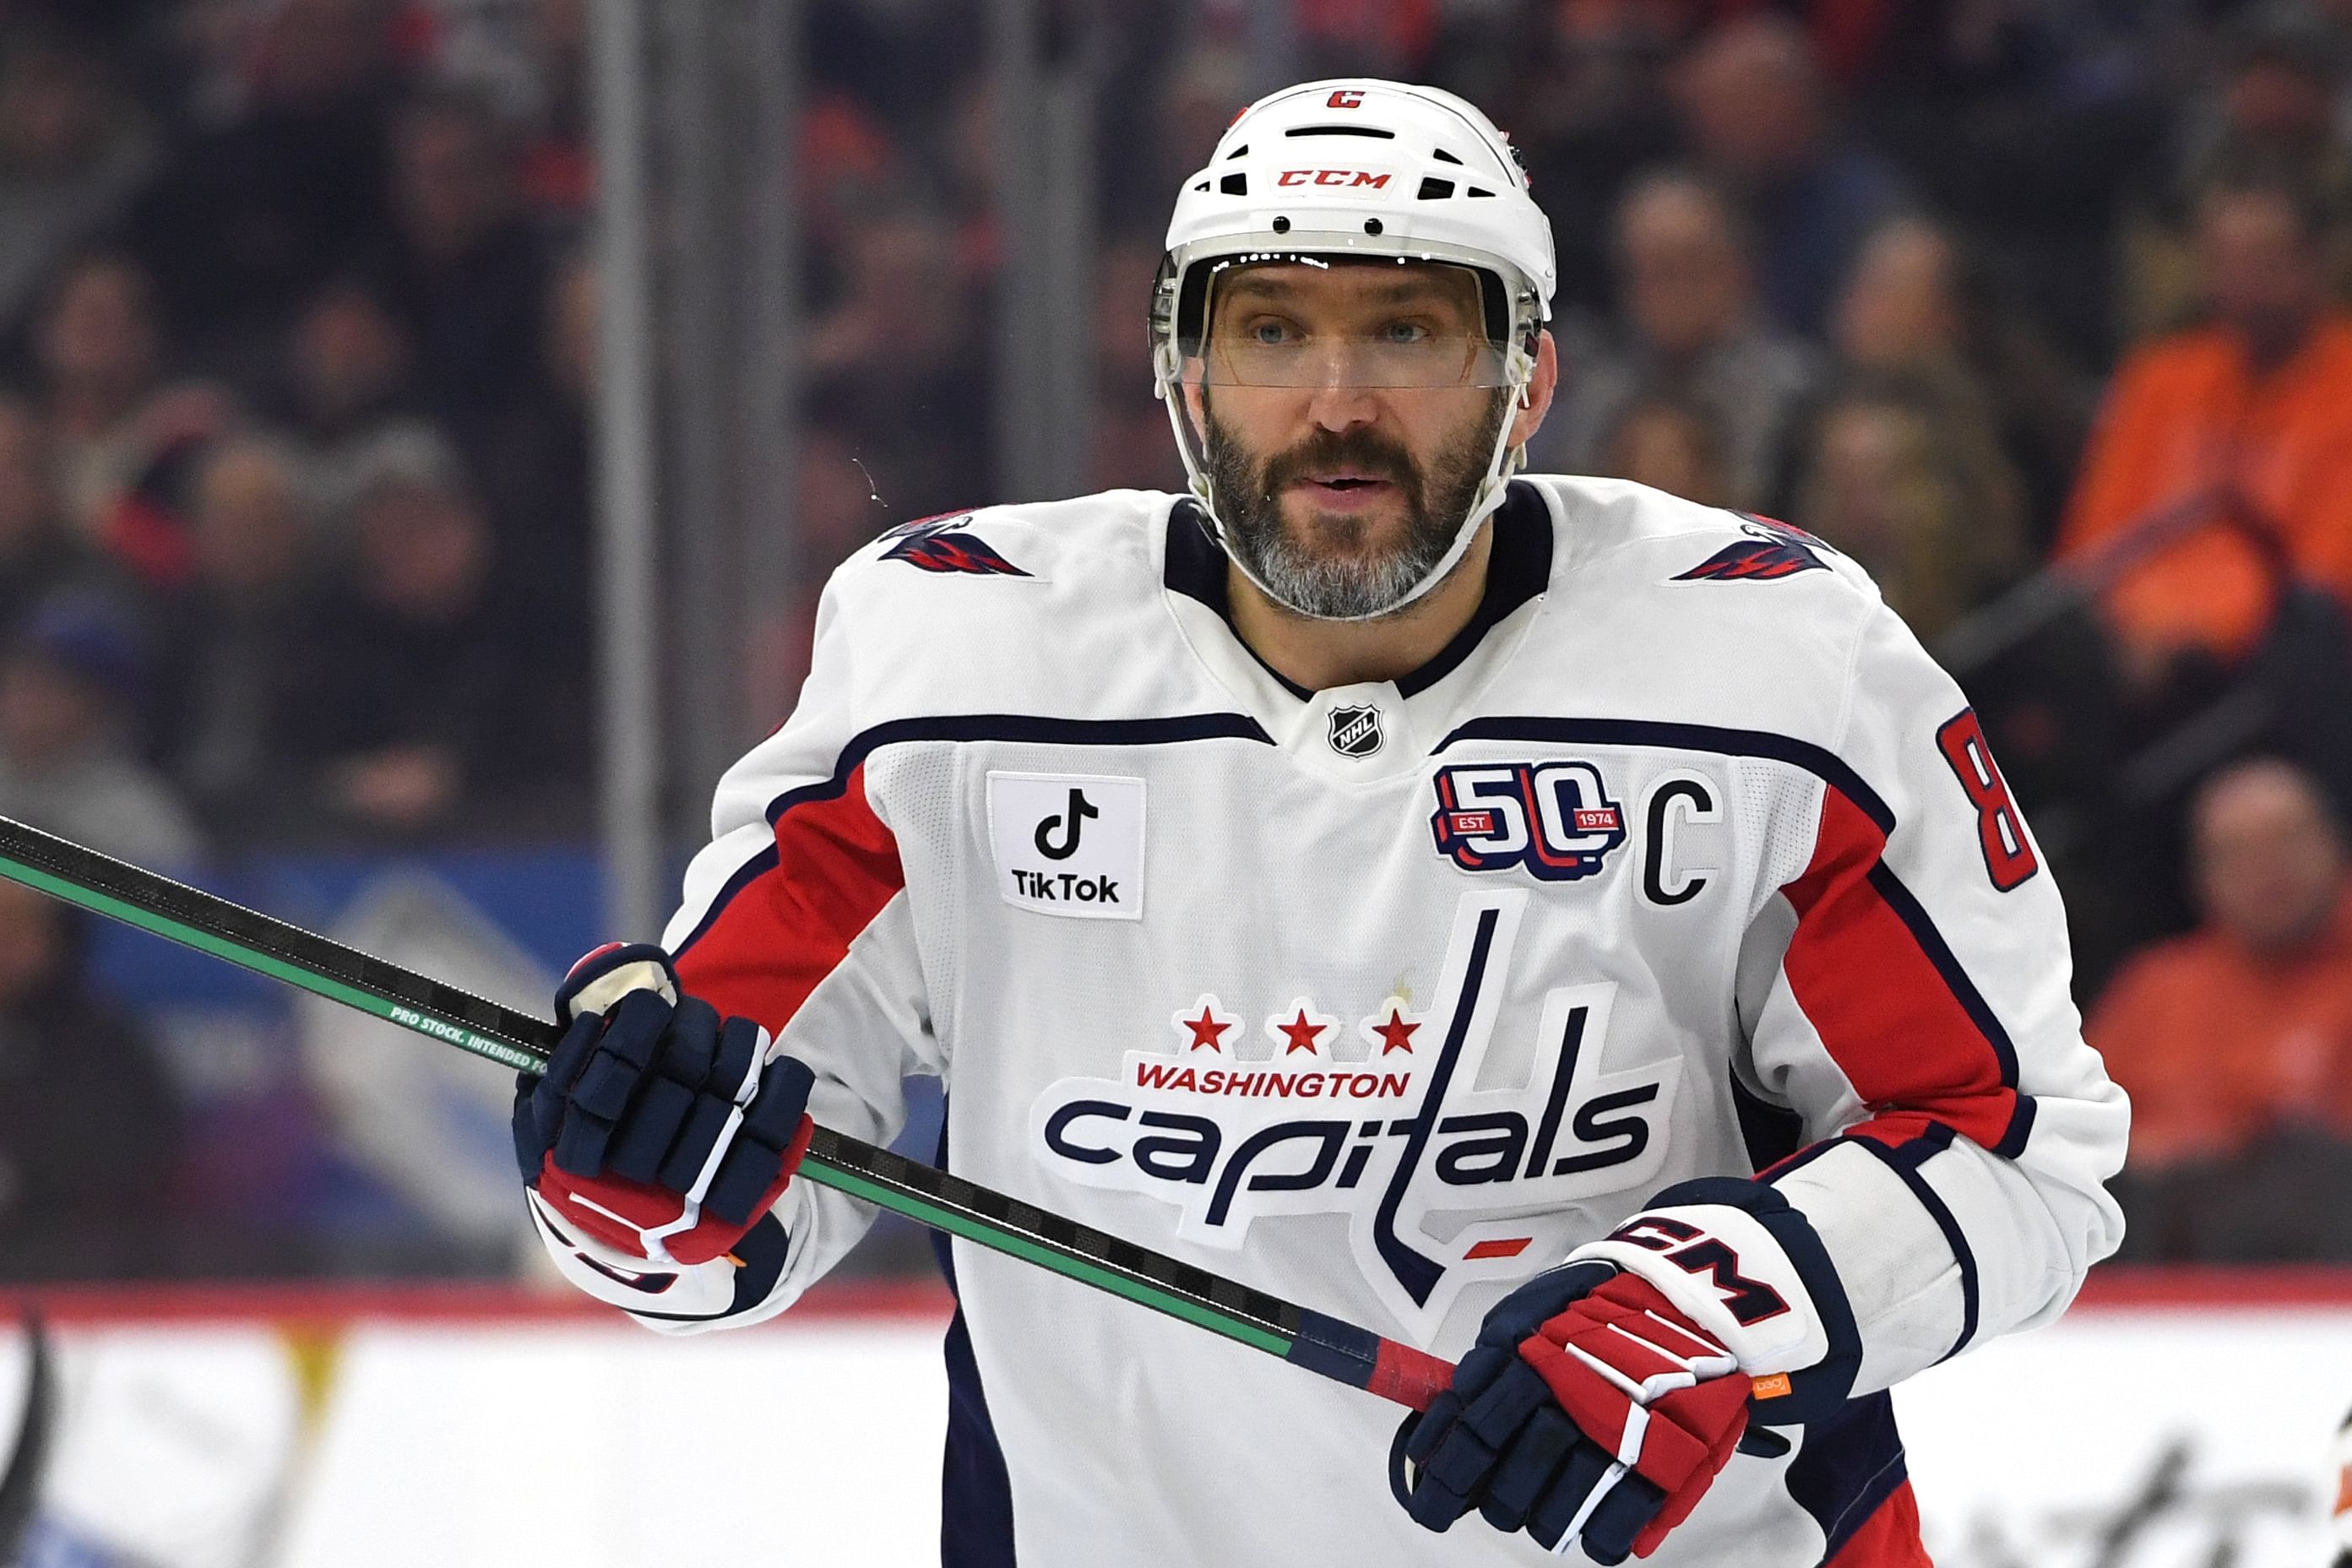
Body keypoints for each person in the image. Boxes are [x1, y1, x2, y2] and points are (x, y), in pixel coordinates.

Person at [511, 79, 2126, 1567]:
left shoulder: (1775, 664)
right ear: (1181, 373)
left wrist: (1698, 1308)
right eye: (1273, 331)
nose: (1338, 404)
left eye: (1410, 332)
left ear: (1530, 379)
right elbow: (708, 1216)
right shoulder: (954, 664)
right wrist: (631, 1166)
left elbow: (2018, 1142)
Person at [2058, 168, 2352, 684]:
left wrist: (2193, 634)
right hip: (2125, 647)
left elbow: (2325, 582)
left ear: (2318, 261)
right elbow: (2094, 546)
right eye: (2223, 261)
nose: (2240, 284)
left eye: (2263, 261)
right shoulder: (2157, 377)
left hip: (2278, 669)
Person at [2089, 757, 2352, 1261]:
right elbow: (2075, 1138)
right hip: (2159, 1292)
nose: (2268, 868)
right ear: (2200, 875)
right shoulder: (2156, 988)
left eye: (2287, 840)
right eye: (2237, 852)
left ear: (2333, 843)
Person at [1532, 169, 1820, 512]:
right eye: (1648, 271)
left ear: (1740, 267)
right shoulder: (1587, 386)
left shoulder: (1798, 394)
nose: (1671, 291)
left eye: (1689, 267)